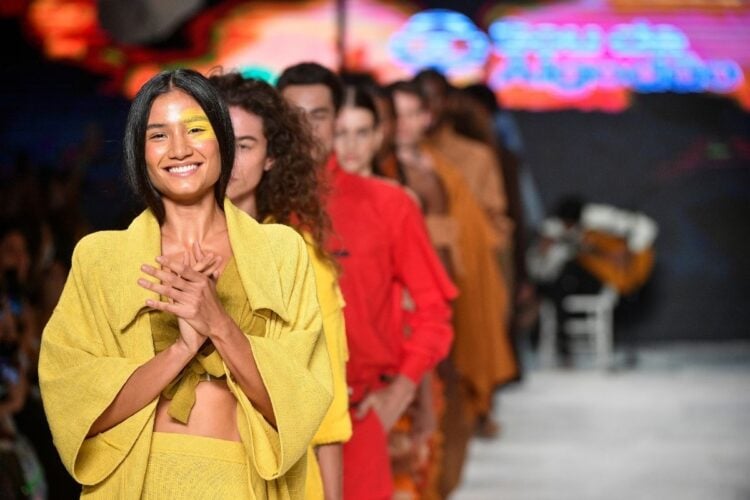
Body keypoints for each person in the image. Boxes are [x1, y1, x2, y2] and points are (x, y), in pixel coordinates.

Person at [38, 69, 333, 499]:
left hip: (243, 482)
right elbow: (78, 408)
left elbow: (297, 406)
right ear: (139, 153)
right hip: (138, 483)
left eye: (196, 129)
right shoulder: (100, 258)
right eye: (159, 135)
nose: (179, 149)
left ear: (223, 141)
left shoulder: (280, 251)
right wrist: (181, 349)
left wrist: (218, 323)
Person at [278, 62, 456, 500]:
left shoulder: (389, 204)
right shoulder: (258, 205)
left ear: (335, 119)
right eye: (293, 116)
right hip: (273, 424)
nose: (305, 129)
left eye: (318, 116)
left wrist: (401, 392)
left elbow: (435, 312)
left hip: (359, 417)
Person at [209, 72, 352, 500]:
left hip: (280, 473)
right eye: (220, 143)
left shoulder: (299, 255)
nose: (231, 160)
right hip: (185, 467)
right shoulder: (151, 246)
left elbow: (326, 401)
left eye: (246, 145)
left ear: (272, 156)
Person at [388, 80, 518, 497]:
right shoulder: (386, 173)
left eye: (413, 113)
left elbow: (482, 232)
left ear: (429, 115)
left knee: (451, 399)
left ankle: (439, 485)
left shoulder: (446, 167)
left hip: (451, 289)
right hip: (404, 298)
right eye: (397, 114)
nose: (405, 123)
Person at [334, 84, 446, 499]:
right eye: (340, 132)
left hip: (384, 381)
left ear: (379, 135)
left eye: (361, 132)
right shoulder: (300, 206)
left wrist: (413, 394)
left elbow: (425, 309)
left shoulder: (398, 202)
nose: (350, 145)